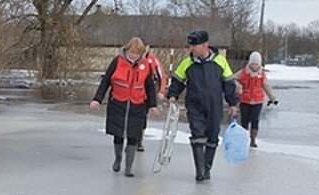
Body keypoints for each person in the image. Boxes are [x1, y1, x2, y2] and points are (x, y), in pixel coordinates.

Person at [166, 29, 239, 182]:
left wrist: (233, 103)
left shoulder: (220, 62)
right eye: (190, 46)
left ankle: (207, 168)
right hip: (195, 105)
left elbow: (229, 83)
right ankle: (199, 171)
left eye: (195, 45)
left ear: (205, 45)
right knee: (197, 135)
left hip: (214, 106)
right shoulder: (187, 63)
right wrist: (172, 95)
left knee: (212, 136)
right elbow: (177, 81)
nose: (192, 49)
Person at [91, 37, 160, 177]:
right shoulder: (117, 61)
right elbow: (106, 81)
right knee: (118, 134)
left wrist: (152, 105)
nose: (134, 55)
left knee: (133, 135)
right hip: (118, 103)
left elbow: (150, 87)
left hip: (137, 104)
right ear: (126, 50)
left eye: (137, 53)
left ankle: (129, 167)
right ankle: (118, 159)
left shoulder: (146, 65)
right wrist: (97, 99)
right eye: (131, 52)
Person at [234, 51, 278, 148]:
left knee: (255, 119)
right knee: (244, 120)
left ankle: (253, 139)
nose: (254, 66)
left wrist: (273, 98)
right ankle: (243, 138)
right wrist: (238, 86)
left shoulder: (262, 74)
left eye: (256, 64)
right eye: (252, 64)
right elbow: (233, 79)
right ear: (249, 63)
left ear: (259, 64)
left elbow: (266, 86)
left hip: (257, 101)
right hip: (245, 100)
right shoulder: (243, 72)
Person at [136, 44, 168, 152]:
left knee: (142, 116)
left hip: (147, 93)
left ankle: (139, 140)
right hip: (133, 92)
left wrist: (161, 91)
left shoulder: (153, 60)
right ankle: (130, 138)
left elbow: (162, 76)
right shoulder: (132, 58)